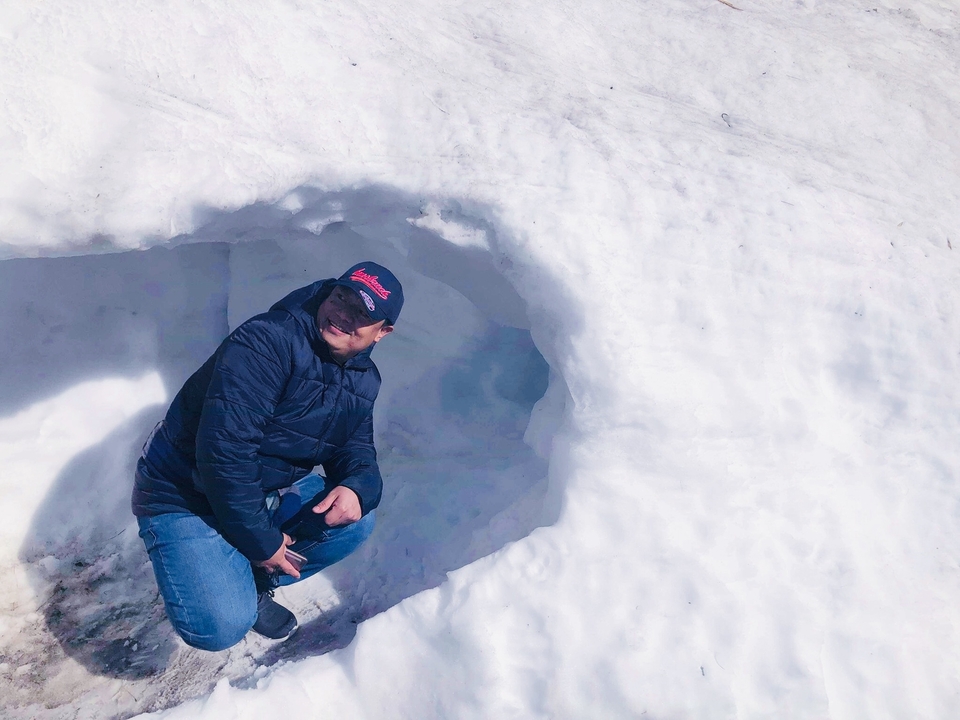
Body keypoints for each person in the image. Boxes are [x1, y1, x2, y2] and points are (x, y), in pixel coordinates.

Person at [131, 261, 403, 650]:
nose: (343, 314)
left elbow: (356, 448)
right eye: (341, 297)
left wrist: (357, 487)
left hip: (257, 493)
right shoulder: (267, 342)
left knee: (355, 520)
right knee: (220, 627)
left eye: (362, 313)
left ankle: (253, 578)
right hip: (183, 494)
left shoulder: (362, 379)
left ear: (383, 332)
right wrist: (262, 541)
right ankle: (231, 568)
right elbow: (224, 454)